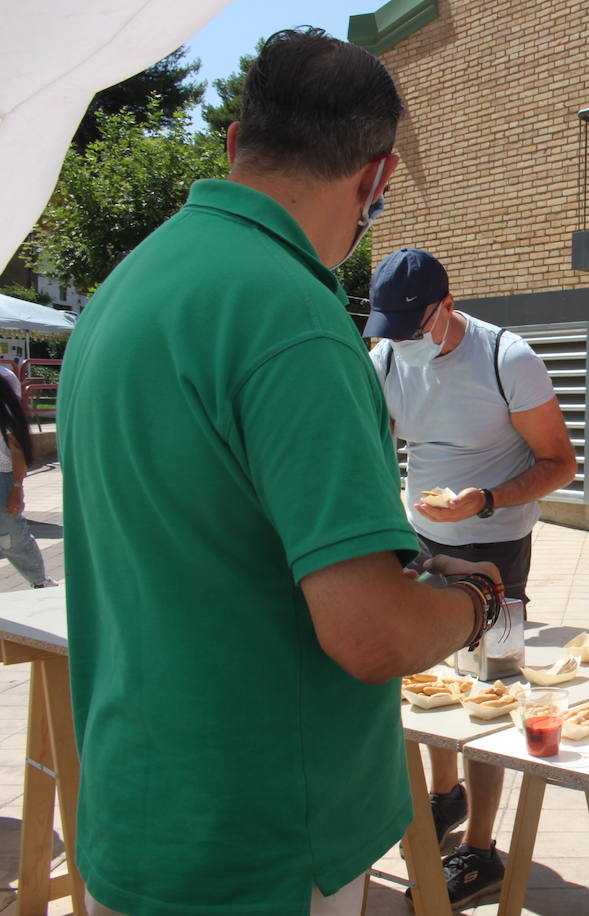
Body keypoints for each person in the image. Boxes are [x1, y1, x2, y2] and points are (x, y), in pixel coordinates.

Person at [57, 28, 504, 916]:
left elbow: (208, 536)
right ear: (377, 178)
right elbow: (370, 635)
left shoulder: (124, 291)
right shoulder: (294, 320)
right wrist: (476, 603)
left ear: (234, 143)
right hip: (260, 837)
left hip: (138, 810)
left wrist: (404, 568)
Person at [365, 246, 576, 907]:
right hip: (425, 536)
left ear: (446, 306)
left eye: (411, 327)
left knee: (493, 689)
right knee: (431, 675)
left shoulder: (506, 358)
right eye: (390, 330)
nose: (402, 342)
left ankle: (481, 850)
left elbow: (558, 463)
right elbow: (372, 449)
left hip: (500, 541)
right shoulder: (386, 358)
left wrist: (483, 499)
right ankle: (443, 794)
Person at [0, 365, 55, 588]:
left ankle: (39, 580)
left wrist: (16, 488)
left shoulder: (5, 407)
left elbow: (18, 453)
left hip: (3, 479)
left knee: (11, 536)